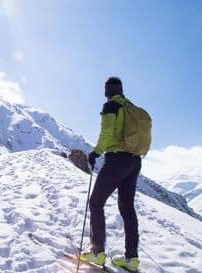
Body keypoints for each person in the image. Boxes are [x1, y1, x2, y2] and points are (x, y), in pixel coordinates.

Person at [80, 76, 141, 272]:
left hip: (116, 160)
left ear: (107, 91)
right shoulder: (130, 107)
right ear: (121, 90)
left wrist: (96, 152)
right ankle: (132, 259)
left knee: (96, 202)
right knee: (127, 208)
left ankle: (98, 253)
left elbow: (106, 134)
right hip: (135, 161)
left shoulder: (111, 106)